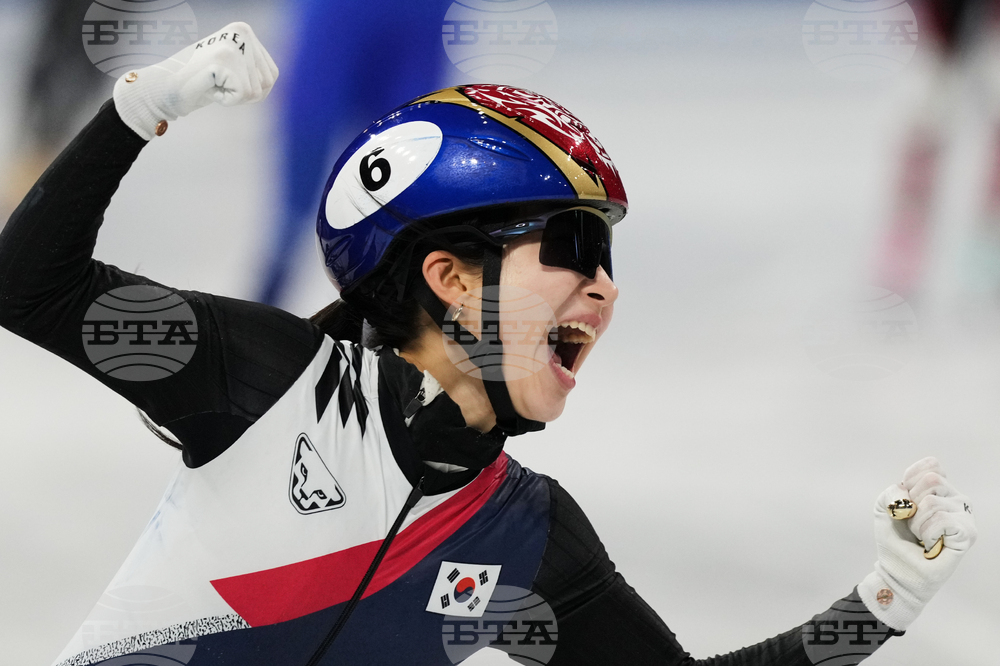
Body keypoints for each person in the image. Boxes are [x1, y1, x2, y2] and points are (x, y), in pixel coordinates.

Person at [0, 22, 978, 666]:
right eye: (571, 248)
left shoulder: (527, 538)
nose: (604, 287)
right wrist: (143, 107)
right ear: (450, 277)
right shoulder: (274, 384)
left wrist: (882, 600)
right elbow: (26, 284)